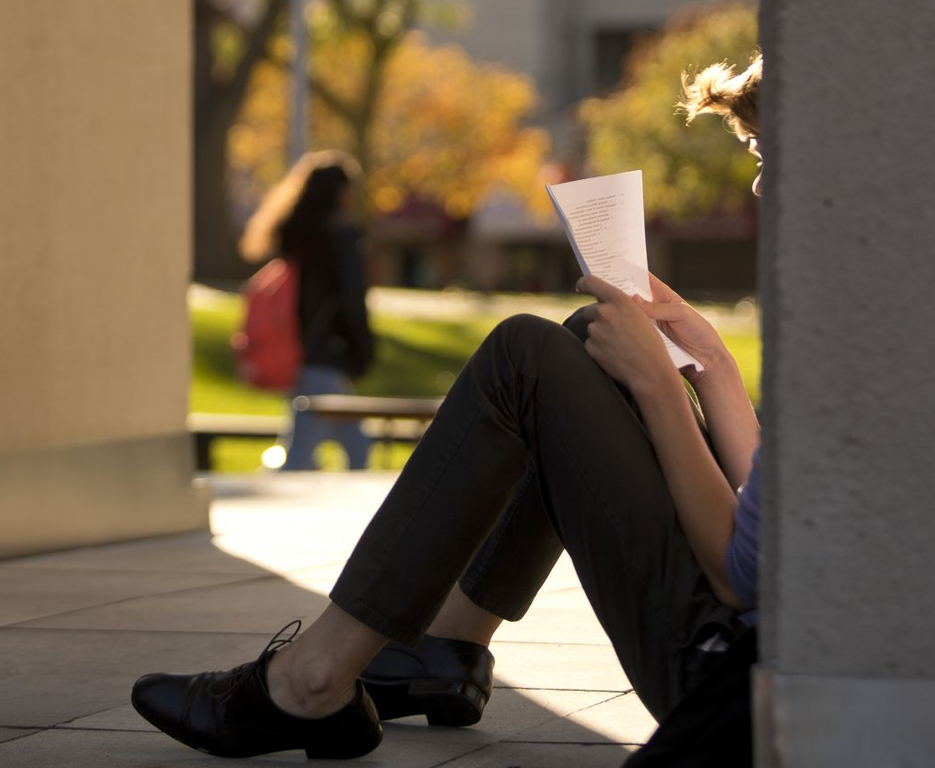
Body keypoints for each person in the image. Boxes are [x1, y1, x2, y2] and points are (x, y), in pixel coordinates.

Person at [132, 53, 764, 762]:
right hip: (762, 647)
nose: (761, 180)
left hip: (736, 674)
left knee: (522, 355)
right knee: (585, 341)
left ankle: (310, 681)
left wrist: (659, 389)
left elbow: (742, 574)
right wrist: (709, 365)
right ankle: (448, 646)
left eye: (768, 152)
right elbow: (781, 515)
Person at [239, 150, 375, 470]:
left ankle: (356, 511)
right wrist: (363, 351)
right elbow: (351, 301)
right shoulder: (339, 240)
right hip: (324, 355)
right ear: (341, 192)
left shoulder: (298, 239)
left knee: (355, 444)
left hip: (302, 351)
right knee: (302, 453)